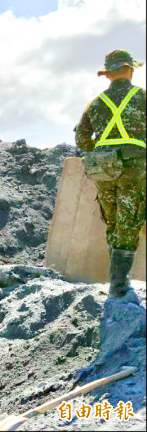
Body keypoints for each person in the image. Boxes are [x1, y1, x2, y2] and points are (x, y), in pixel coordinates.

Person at [74, 49, 146, 300]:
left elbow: (82, 138)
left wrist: (103, 152)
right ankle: (118, 286)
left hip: (103, 170)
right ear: (130, 70)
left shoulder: (96, 104)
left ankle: (116, 283)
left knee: (113, 220)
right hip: (133, 169)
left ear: (108, 75)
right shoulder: (142, 97)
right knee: (129, 222)